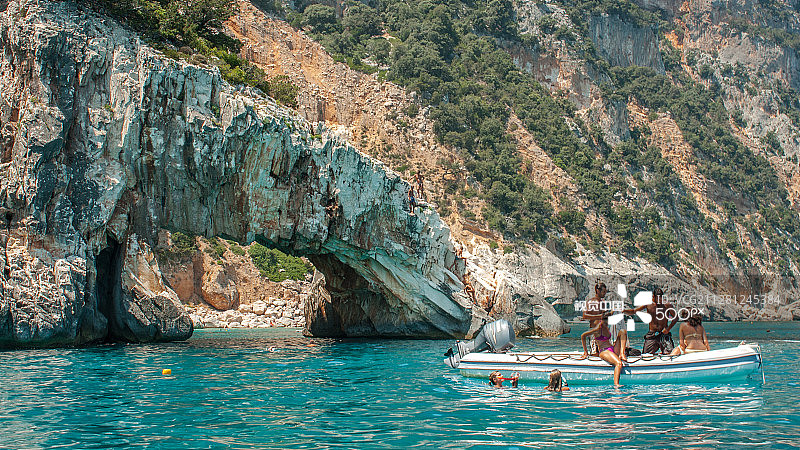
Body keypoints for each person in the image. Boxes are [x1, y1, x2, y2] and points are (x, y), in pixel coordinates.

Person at [580, 315, 629, 387]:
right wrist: (585, 352)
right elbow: (583, 336)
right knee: (619, 363)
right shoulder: (597, 329)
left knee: (623, 331)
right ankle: (616, 385)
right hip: (604, 351)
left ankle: (622, 353)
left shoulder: (605, 326)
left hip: (612, 348)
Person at [627, 287, 679, 355]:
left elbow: (676, 317)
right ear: (653, 297)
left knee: (670, 354)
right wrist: (623, 311)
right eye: (657, 298)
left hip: (664, 334)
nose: (659, 300)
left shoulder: (667, 305)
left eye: (660, 298)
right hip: (652, 334)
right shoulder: (648, 305)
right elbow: (634, 311)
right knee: (646, 355)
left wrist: (668, 328)